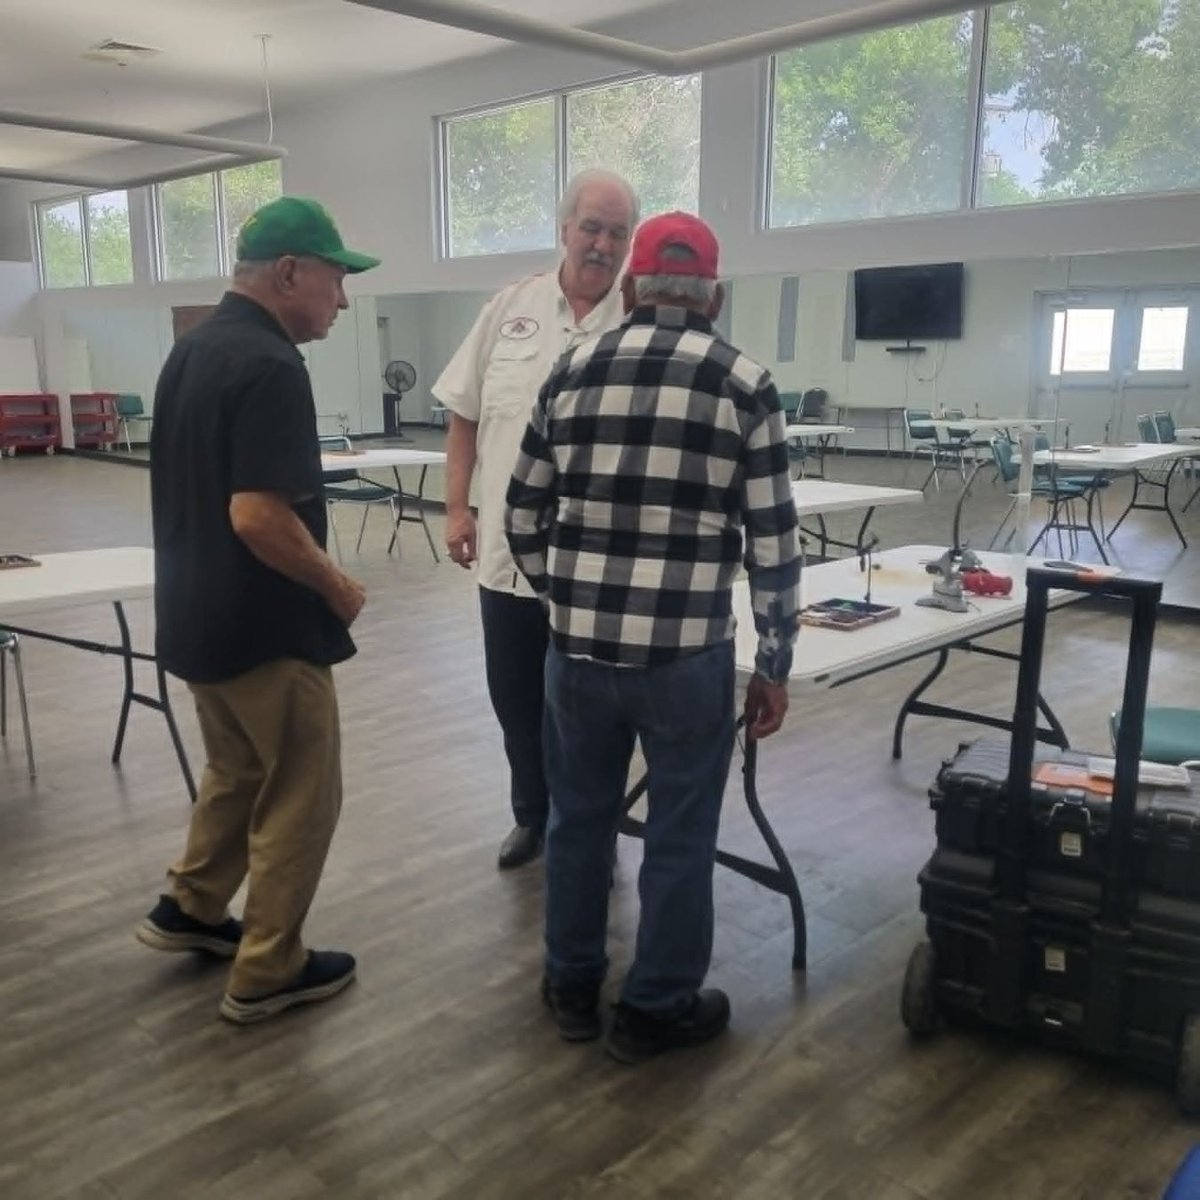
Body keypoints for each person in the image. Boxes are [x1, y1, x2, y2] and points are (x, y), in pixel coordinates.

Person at [505, 211, 802, 1063]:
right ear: (716, 297)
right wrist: (773, 664)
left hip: (580, 655)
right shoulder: (745, 383)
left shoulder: (570, 369)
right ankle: (655, 1007)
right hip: (686, 661)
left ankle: (570, 984)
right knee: (678, 834)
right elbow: (775, 547)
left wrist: (563, 596)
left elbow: (521, 514)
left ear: (631, 287)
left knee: (577, 823)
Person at [136, 196, 379, 1025]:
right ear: (289, 273)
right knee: (303, 793)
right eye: (337, 280)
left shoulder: (194, 348)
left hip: (196, 619)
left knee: (237, 773)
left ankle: (193, 906)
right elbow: (258, 515)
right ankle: (271, 965)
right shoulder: (272, 365)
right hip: (265, 629)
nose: (341, 301)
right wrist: (336, 587)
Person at [432, 169, 639, 870]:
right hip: (504, 560)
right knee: (516, 701)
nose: (603, 245)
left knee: (592, 716)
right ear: (564, 229)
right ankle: (532, 815)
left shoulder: (642, 319)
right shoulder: (509, 309)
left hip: (597, 571)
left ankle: (592, 830)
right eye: (592, 228)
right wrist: (457, 508)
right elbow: (463, 413)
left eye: (617, 232)